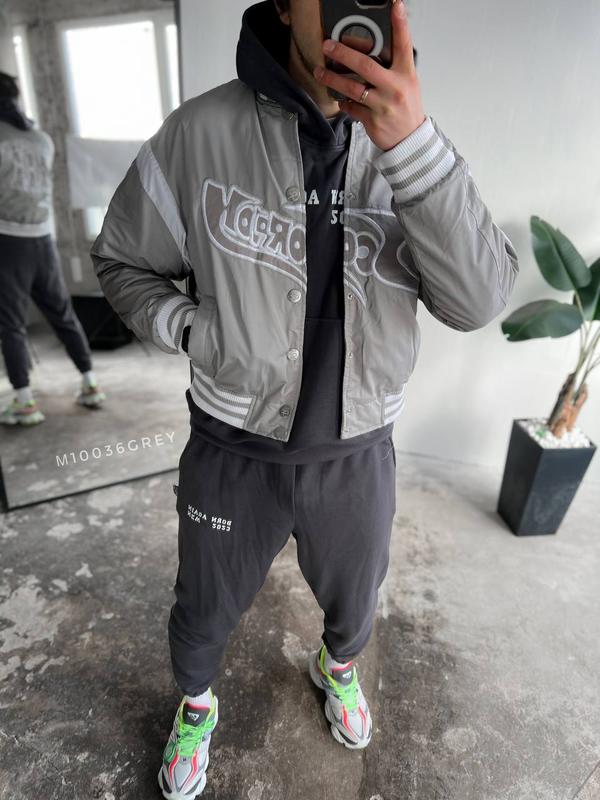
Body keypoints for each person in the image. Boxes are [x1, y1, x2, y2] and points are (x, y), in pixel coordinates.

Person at [90, 0, 519, 796]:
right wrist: (193, 330)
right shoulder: (198, 133)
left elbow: (477, 300)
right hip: (231, 449)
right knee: (203, 607)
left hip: (357, 454)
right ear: (288, 5)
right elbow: (121, 260)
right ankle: (195, 705)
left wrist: (411, 147)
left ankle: (338, 666)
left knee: (356, 600)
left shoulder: (414, 148)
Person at [0, 71, 105, 427]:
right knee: (62, 313)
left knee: (11, 324)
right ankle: (90, 383)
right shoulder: (41, 139)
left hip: (8, 241)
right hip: (43, 239)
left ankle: (25, 402)